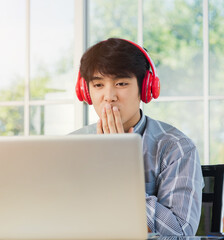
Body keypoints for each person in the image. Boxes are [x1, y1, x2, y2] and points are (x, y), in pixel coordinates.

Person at [71, 38, 203, 236]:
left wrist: (120, 170)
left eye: (121, 83)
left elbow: (180, 232)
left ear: (145, 88)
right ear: (86, 92)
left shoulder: (176, 147)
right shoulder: (69, 146)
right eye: (98, 85)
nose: (109, 96)